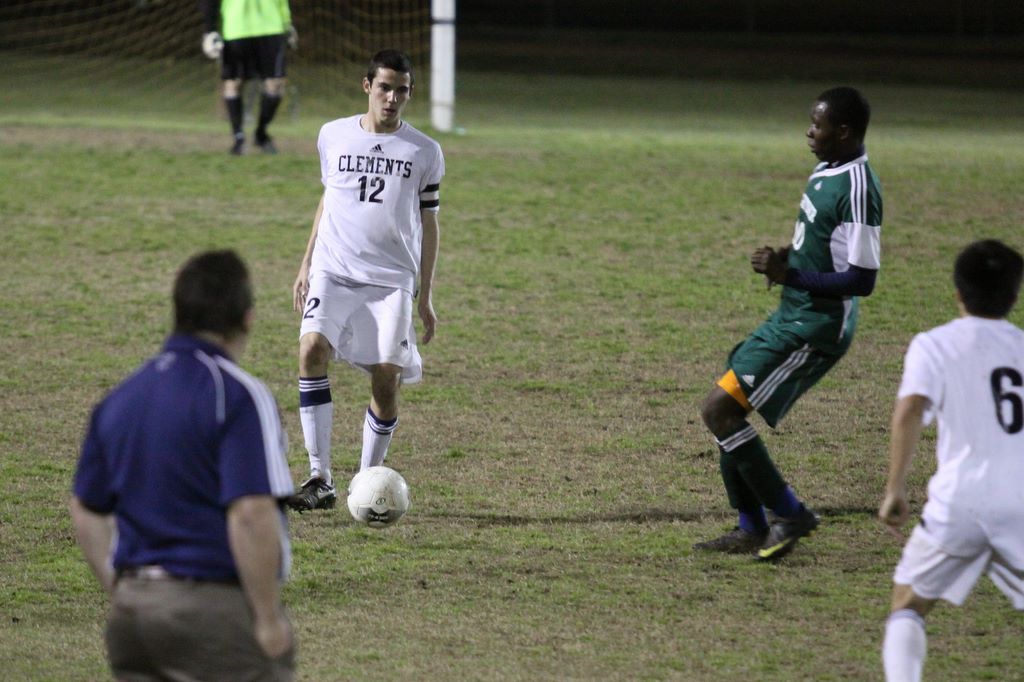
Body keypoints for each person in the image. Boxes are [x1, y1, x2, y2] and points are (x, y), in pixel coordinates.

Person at [69, 250, 296, 680]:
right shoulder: (237, 395)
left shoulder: (120, 398)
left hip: (133, 619)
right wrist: (268, 617)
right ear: (247, 318)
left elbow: (86, 508)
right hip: (213, 614)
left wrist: (120, 590)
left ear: (178, 313)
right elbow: (250, 512)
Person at [695, 86, 883, 561]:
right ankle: (751, 528)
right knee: (727, 404)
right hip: (791, 314)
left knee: (720, 410)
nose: (809, 132)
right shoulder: (827, 168)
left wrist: (789, 274)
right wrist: (789, 256)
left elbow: (861, 280)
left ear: (844, 131)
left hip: (815, 328)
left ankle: (790, 514)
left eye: (818, 125)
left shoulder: (859, 189)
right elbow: (826, 243)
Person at [287, 49, 445, 512]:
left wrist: (425, 294)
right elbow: (329, 198)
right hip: (334, 269)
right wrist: (306, 263)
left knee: (386, 379)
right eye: (385, 88)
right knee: (311, 349)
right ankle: (319, 477)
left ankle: (366, 480)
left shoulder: (424, 151)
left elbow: (429, 222)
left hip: (391, 280)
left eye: (402, 91)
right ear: (367, 86)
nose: (392, 98)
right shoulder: (332, 135)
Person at [879, 240, 1024, 682]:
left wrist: (895, 490)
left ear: (958, 292)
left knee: (908, 603)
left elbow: (909, 410)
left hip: (959, 502)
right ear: (1014, 295)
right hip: (1020, 502)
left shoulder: (933, 345)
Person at [201, 0, 297, 155]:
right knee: (233, 83)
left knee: (276, 84)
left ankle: (261, 133)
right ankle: (238, 138)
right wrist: (210, 29)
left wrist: (287, 22)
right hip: (235, 27)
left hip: (272, 26)